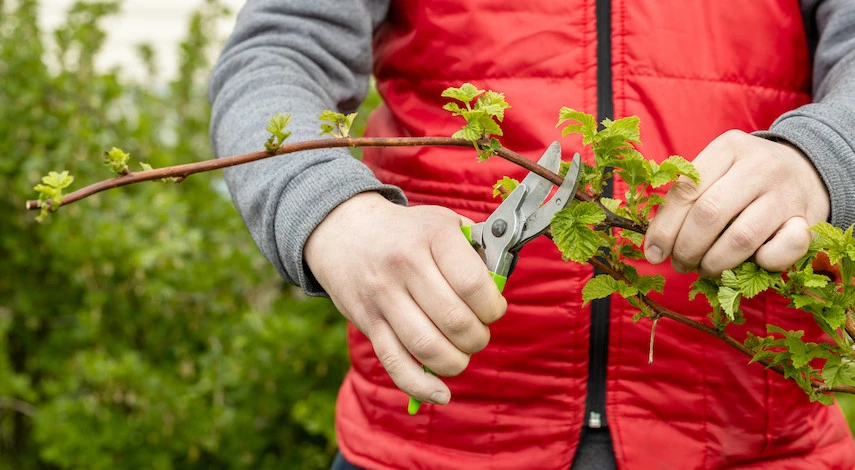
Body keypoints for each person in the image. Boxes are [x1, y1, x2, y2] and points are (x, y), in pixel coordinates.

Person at [208, 1, 855, 468]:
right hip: (428, 449)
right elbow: (276, 52)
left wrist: (820, 154)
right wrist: (331, 212)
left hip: (763, 442)